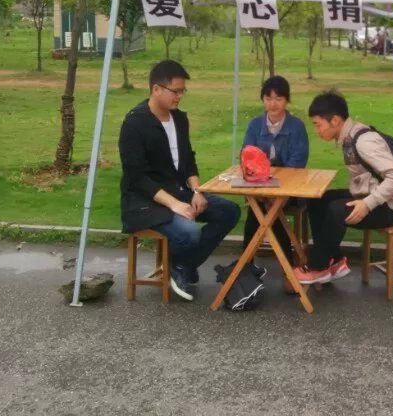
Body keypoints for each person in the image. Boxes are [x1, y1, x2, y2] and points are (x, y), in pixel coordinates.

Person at [119, 60, 241, 302]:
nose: (180, 96)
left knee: (229, 211)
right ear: (156, 89)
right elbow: (136, 177)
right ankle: (182, 265)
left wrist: (197, 191)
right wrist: (174, 205)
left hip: (178, 191)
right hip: (144, 202)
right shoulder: (134, 123)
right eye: (175, 91)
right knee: (189, 233)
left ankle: (181, 265)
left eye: (182, 91)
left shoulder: (179, 119)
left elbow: (188, 160)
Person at [296, 90, 393, 284]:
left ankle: (317, 267)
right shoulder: (350, 136)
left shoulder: (364, 142)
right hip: (367, 196)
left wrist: (367, 204)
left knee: (336, 210)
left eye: (318, 124)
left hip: (386, 207)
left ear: (335, 121)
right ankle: (334, 261)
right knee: (318, 201)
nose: (317, 131)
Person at [241, 76, 310, 291]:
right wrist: (263, 189)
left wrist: (277, 192)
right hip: (259, 187)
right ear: (263, 99)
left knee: (267, 210)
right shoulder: (255, 125)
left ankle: (245, 269)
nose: (273, 104)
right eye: (268, 98)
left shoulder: (296, 126)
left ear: (286, 100)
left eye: (278, 99)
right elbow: (247, 157)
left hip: (290, 190)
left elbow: (297, 163)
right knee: (261, 208)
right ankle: (286, 270)